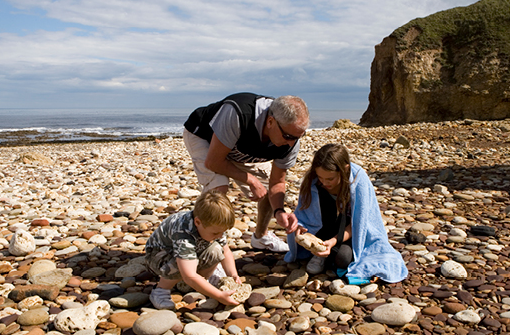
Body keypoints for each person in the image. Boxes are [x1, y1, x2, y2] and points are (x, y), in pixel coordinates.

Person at [183, 93, 309, 252]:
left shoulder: (291, 141)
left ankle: (261, 237)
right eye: (288, 136)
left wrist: (279, 211)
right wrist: (251, 180)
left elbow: (277, 182)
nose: (291, 143)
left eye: (298, 137)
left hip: (236, 149)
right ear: (270, 122)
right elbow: (213, 162)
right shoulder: (238, 114)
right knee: (218, 187)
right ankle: (203, 245)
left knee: (268, 187)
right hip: (204, 137)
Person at [285, 143, 408, 284]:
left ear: (345, 169)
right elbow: (305, 215)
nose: (324, 182)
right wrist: (300, 227)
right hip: (324, 228)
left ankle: (328, 253)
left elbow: (360, 223)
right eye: (320, 177)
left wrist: (332, 242)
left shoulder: (358, 181)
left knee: (343, 258)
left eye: (330, 179)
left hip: (350, 231)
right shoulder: (313, 182)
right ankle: (321, 253)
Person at [144, 190, 242, 310]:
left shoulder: (212, 224)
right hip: (159, 256)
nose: (220, 235)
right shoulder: (183, 232)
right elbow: (189, 275)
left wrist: (232, 274)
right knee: (184, 263)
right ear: (197, 222)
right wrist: (219, 296)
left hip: (192, 248)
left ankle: (202, 280)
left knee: (216, 250)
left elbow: (225, 251)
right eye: (216, 232)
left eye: (223, 232)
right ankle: (161, 290)